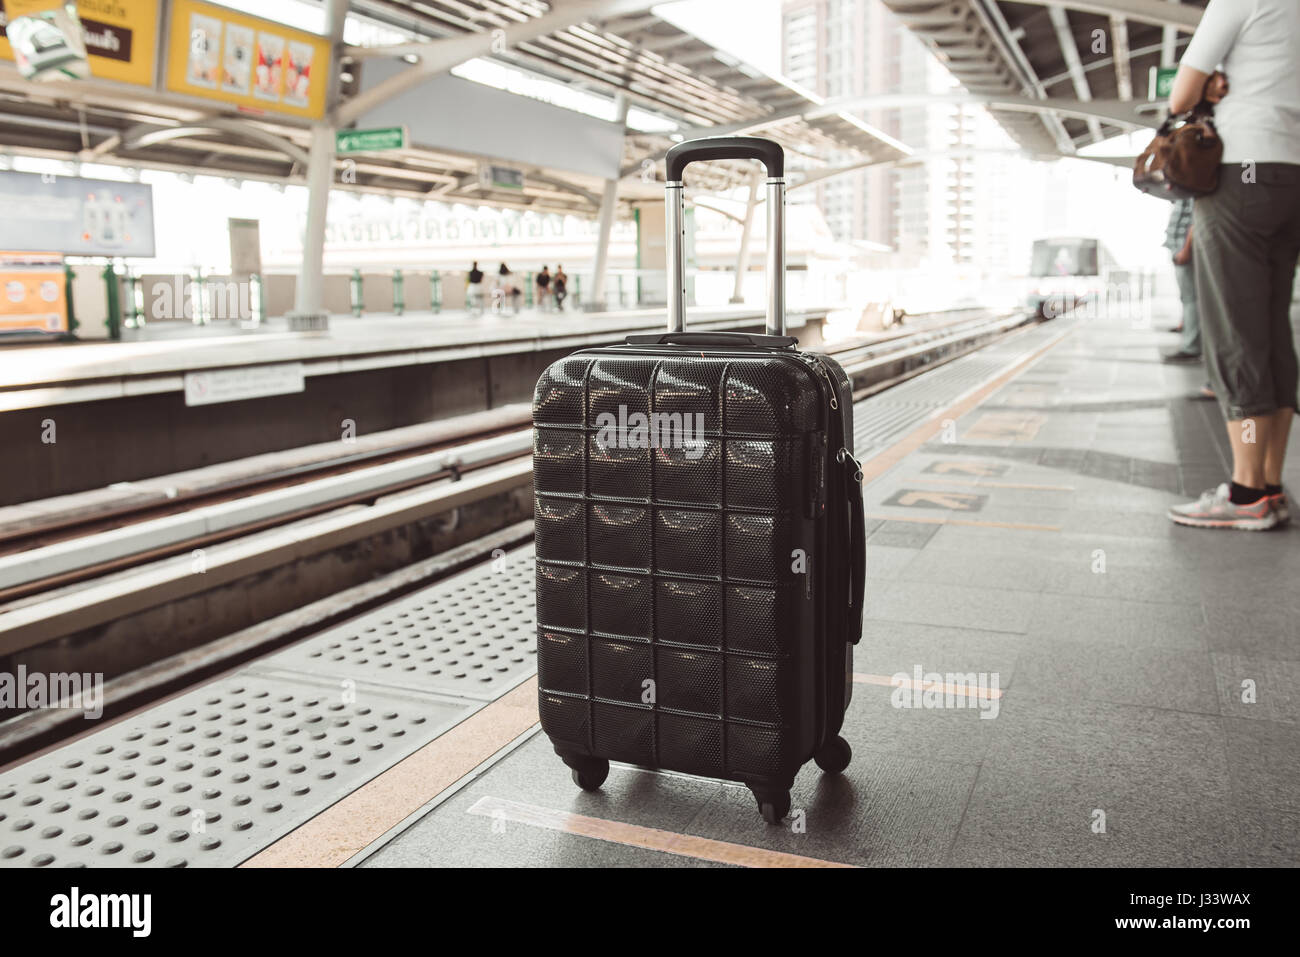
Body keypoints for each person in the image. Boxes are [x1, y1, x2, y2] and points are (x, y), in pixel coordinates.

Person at [1166, 0, 1299, 530]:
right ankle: (1270, 486)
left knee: (1236, 334)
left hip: (1242, 172)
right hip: (1294, 176)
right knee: (1271, 329)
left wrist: (1211, 89)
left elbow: (1181, 94)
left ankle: (1245, 494)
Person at [1160, 198, 1201, 362]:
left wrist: (1185, 250)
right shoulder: (1183, 191)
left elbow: (1195, 219)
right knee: (1187, 298)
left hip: (1185, 251)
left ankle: (1191, 347)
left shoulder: (1193, 187)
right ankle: (1188, 334)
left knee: (1191, 299)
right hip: (1178, 248)